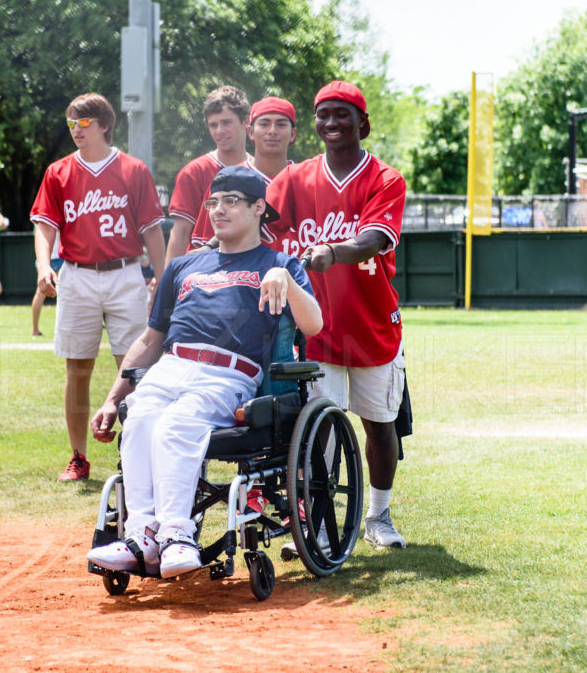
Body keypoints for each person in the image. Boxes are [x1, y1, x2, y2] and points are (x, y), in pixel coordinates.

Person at [87, 166, 323, 578]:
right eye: (213, 201)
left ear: (257, 208)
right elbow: (149, 340)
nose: (218, 209)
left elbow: (315, 324)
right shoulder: (183, 268)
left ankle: (177, 535)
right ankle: (141, 534)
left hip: (228, 374)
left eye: (231, 201)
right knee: (140, 417)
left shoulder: (279, 263)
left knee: (177, 424)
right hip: (172, 364)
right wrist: (112, 399)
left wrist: (285, 278)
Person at [264, 81, 409, 549]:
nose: (331, 122)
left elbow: (373, 239)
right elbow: (260, 221)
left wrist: (333, 250)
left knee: (379, 424)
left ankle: (378, 516)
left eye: (342, 114)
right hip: (317, 328)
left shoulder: (385, 179)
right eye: (323, 114)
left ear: (362, 123)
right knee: (317, 430)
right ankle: (321, 526)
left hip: (371, 323)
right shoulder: (294, 179)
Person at [30, 92, 167, 482]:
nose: (76, 130)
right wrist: (44, 266)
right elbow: (45, 228)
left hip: (125, 273)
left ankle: (137, 455)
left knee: (136, 367)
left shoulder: (132, 169)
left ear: (104, 125)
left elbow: (151, 231)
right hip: (76, 273)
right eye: (71, 123)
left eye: (84, 123)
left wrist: (165, 279)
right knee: (77, 368)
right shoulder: (58, 172)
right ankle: (78, 456)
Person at [189, 96, 298, 251]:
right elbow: (204, 249)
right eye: (264, 124)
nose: (272, 131)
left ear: (293, 133)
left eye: (281, 124)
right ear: (250, 132)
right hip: (241, 274)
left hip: (300, 273)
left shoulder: (306, 180)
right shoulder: (227, 180)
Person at [164, 86, 251, 262]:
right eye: (213, 125)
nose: (219, 131)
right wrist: (168, 282)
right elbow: (180, 233)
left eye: (226, 122)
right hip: (203, 270)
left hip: (250, 267)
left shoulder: (257, 172)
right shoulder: (194, 172)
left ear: (246, 122)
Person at [30, 235, 62, 337]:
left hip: (45, 259)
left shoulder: (37, 220)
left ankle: (35, 329)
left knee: (40, 293)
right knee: (67, 293)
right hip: (59, 257)